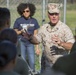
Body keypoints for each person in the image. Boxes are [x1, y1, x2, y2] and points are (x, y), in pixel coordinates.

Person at [23, 3, 75, 73]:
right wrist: (30, 37)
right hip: (46, 66)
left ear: (59, 15)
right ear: (48, 14)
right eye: (51, 14)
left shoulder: (65, 28)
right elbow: (37, 40)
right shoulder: (44, 27)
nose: (54, 16)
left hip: (60, 66)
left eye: (56, 14)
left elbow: (72, 46)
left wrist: (61, 43)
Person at [13, 3, 40, 72]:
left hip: (30, 43)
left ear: (31, 11)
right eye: (23, 11)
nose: (25, 13)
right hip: (21, 42)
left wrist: (37, 48)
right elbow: (15, 32)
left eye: (27, 11)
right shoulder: (18, 21)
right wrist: (21, 32)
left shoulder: (34, 21)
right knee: (23, 61)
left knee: (32, 61)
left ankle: (32, 72)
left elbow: (36, 36)